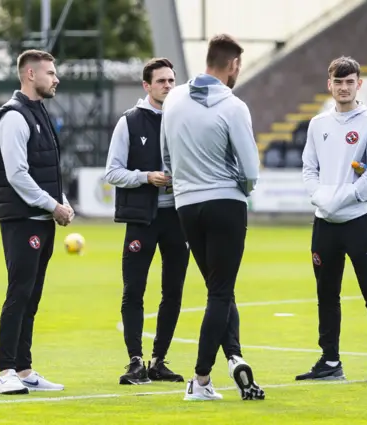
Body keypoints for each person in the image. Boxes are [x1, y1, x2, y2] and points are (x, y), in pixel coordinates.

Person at [160, 34, 265, 401]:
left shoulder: (173, 98)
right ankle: (201, 380)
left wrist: (184, 184)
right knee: (220, 292)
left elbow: (166, 154)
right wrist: (244, 186)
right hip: (225, 203)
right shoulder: (233, 106)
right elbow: (250, 168)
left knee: (218, 289)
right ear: (233, 64)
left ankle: (235, 356)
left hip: (186, 204)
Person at [298, 56, 367, 384]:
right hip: (324, 221)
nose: (343, 87)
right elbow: (309, 168)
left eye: (349, 81)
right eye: (338, 82)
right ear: (329, 84)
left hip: (358, 219)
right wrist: (320, 197)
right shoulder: (318, 124)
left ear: (359, 84)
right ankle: (330, 361)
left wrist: (342, 198)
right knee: (326, 293)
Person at [0, 49, 74, 395]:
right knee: (19, 292)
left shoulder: (39, 112)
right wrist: (52, 205)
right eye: (50, 73)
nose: (56, 79)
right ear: (30, 74)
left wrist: (63, 202)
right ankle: (5, 372)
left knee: (32, 295)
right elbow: (17, 175)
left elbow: (49, 171)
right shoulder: (13, 116)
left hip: (42, 218)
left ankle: (24, 370)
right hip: (23, 219)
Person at [105, 57, 189, 385]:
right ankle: (135, 361)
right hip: (142, 218)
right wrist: (146, 177)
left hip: (178, 217)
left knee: (173, 291)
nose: (167, 86)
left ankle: (160, 361)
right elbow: (112, 172)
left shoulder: (184, 120)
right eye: (161, 81)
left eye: (171, 81)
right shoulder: (130, 122)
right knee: (134, 290)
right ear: (146, 86)